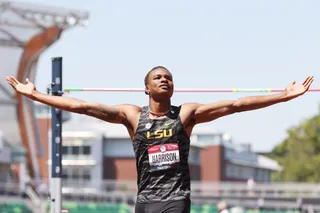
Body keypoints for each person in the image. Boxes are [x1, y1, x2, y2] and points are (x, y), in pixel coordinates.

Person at [5, 67, 314, 213]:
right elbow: (83, 107)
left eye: (169, 77)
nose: (165, 79)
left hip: (176, 199)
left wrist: (283, 97)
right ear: (147, 89)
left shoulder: (186, 115)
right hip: (145, 201)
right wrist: (36, 96)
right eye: (158, 77)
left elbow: (234, 106)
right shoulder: (131, 116)